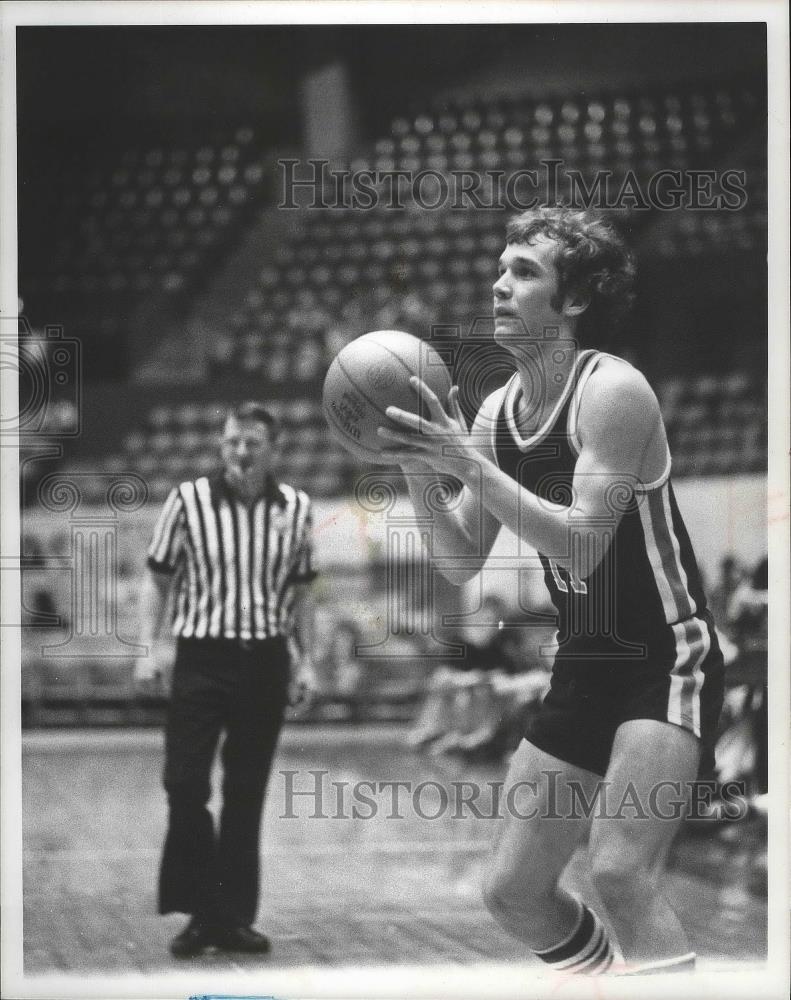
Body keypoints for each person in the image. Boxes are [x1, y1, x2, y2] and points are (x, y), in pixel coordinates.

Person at [379, 207, 724, 976]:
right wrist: (411, 463)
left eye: (523, 272)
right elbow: (460, 558)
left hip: (664, 658)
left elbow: (579, 539)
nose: (498, 284)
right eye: (501, 268)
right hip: (584, 666)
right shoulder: (499, 410)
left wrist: (465, 466)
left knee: (617, 871)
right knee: (511, 891)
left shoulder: (612, 391)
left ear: (574, 301)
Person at [135, 401, 317, 958]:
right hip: (201, 657)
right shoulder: (186, 501)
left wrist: (305, 659)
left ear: (273, 449)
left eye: (252, 443)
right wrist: (149, 647)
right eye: (233, 441)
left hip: (264, 660)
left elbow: (303, 592)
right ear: (222, 444)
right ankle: (202, 907)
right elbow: (158, 579)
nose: (240, 451)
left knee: (245, 793)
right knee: (185, 784)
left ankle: (229, 918)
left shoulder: (297, 507)